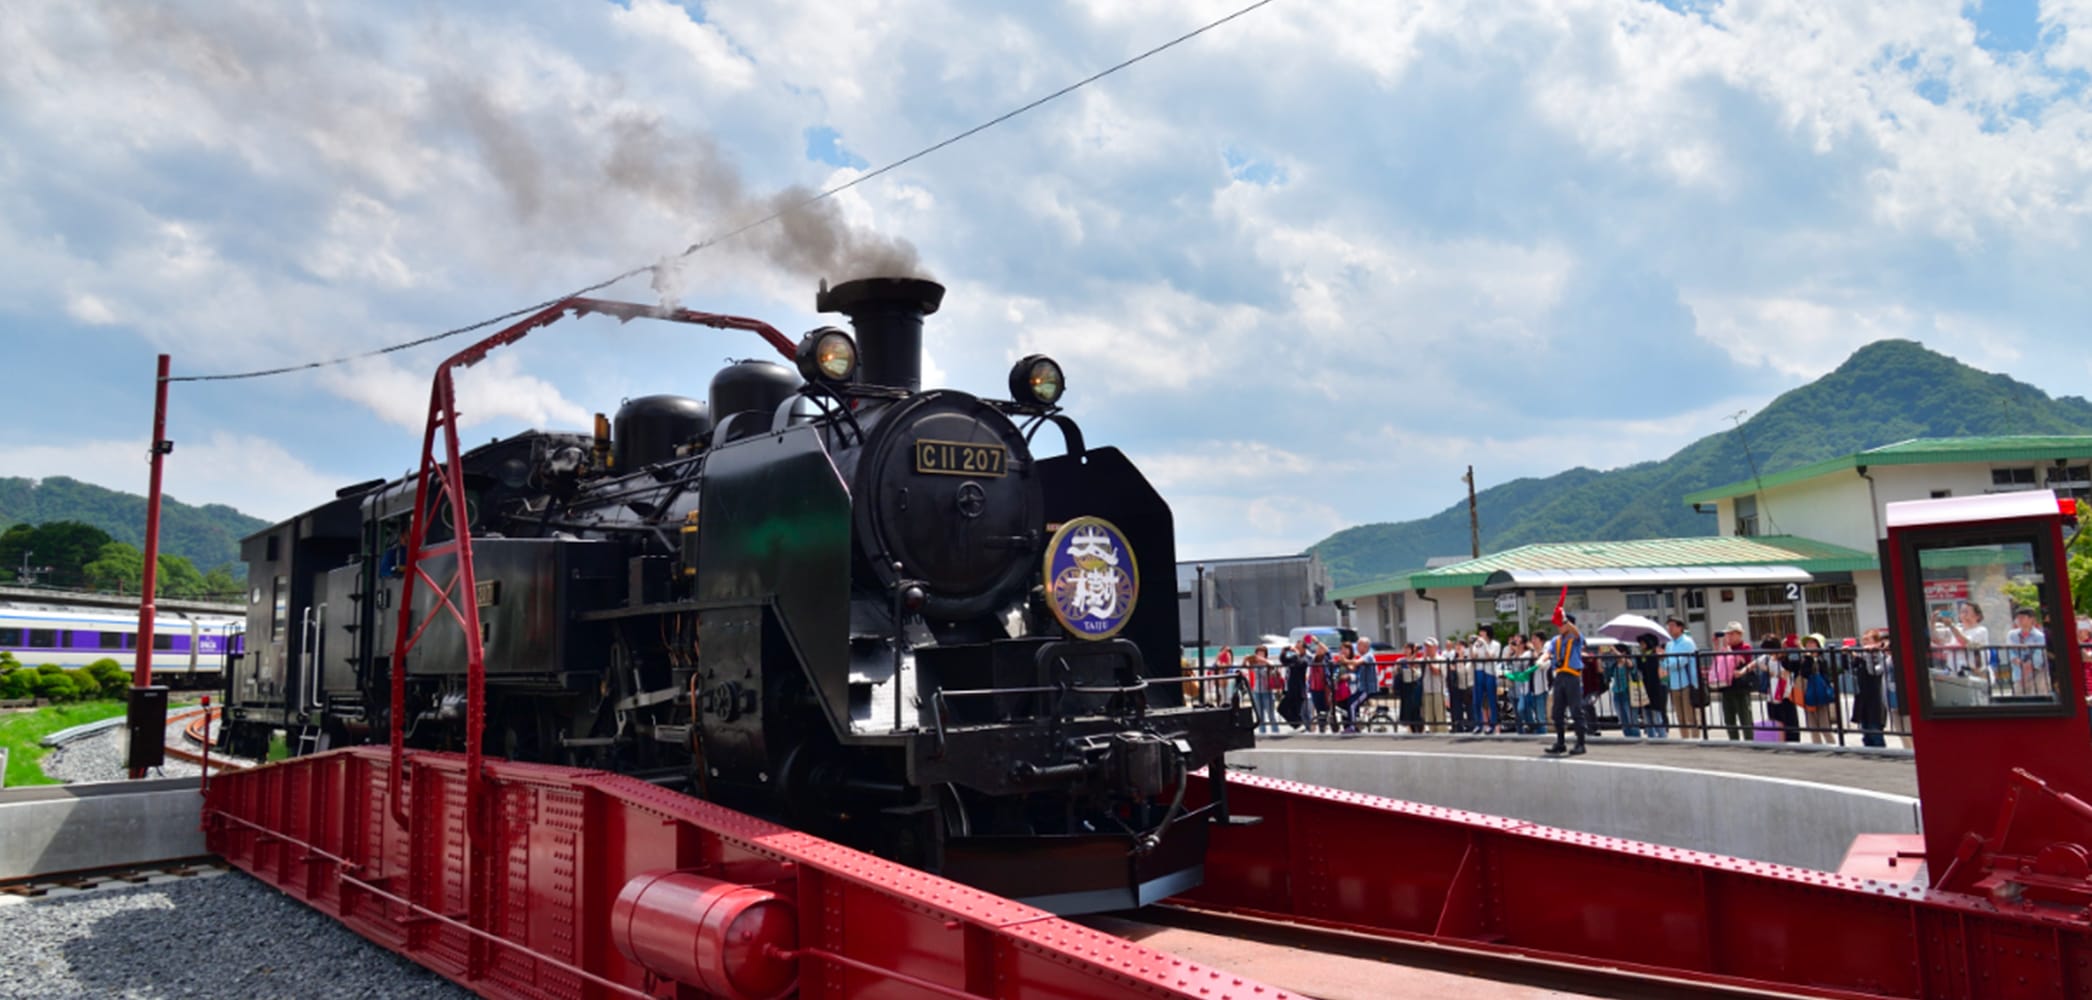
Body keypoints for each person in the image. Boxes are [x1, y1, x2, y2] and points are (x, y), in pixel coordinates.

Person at [1545, 615, 1591, 755]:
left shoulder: (1576, 638)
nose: (1559, 627)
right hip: (1559, 677)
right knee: (1557, 712)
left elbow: (1577, 633)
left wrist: (1565, 619)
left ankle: (1581, 744)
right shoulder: (1555, 640)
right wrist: (1541, 660)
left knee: (1576, 710)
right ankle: (1560, 743)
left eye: (1562, 624)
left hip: (1573, 677)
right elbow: (1548, 653)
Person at [1708, 622, 1752, 742]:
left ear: (1739, 634)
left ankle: (1750, 740)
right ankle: (1734, 740)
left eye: (1732, 634)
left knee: (1745, 717)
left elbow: (1742, 661)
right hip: (1726, 687)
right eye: (1727, 634)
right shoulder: (1724, 648)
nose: (1729, 637)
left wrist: (1729, 650)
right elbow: (1718, 662)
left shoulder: (1745, 647)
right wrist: (1717, 645)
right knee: (1729, 717)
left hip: (1740, 687)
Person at [1661, 617, 1699, 739]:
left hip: (1687, 682)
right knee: (1680, 716)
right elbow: (1665, 663)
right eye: (1668, 626)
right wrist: (1668, 662)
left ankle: (1695, 738)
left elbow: (1680, 662)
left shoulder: (1687, 642)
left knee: (1690, 715)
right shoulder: (1669, 644)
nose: (1669, 628)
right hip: (1674, 683)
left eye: (1672, 625)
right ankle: (1684, 739)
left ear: (1680, 627)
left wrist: (1668, 661)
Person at [1851, 629, 1890, 748]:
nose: (1865, 644)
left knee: (1875, 732)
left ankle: (1882, 755)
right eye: (1864, 641)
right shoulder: (1861, 656)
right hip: (1863, 698)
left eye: (1868, 640)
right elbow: (1849, 670)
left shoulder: (1879, 655)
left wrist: (1870, 654)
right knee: (1866, 732)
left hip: (1876, 699)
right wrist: (1848, 655)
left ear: (1878, 643)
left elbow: (1874, 671)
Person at [1798, 634, 1836, 744]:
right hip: (1808, 692)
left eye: (1812, 642)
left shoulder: (1821, 660)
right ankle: (1817, 744)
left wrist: (1809, 658)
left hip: (1820, 693)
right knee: (1812, 724)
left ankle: (1832, 744)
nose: (1809, 645)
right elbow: (1804, 673)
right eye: (1808, 643)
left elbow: (1824, 674)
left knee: (1824, 723)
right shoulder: (1805, 659)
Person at [2005, 607, 2049, 697]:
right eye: (2018, 618)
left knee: (2038, 698)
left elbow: (2038, 656)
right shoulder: (2012, 635)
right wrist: (2018, 663)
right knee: (2019, 699)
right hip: (2018, 673)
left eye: (2022, 617)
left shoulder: (2039, 636)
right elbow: (2010, 651)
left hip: (2037, 673)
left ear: (2031, 619)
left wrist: (2027, 667)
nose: (2019, 620)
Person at [1470, 625, 1502, 735]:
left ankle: (1492, 724)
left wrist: (1484, 644)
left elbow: (1490, 656)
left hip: (1490, 672)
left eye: (1482, 631)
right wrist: (1472, 645)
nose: (1480, 633)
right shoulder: (1477, 644)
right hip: (1479, 671)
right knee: (1477, 700)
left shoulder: (1496, 644)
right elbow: (1473, 656)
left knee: (1491, 700)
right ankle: (1479, 724)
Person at [1634, 633, 1667, 737]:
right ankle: (1651, 735)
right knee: (1646, 713)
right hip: (1645, 687)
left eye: (1643, 643)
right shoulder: (1641, 656)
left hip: (1656, 686)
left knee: (1656, 713)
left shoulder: (1656, 655)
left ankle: (1662, 735)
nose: (1641, 645)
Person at [1604, 644, 1641, 738]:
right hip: (1617, 692)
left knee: (1632, 718)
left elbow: (1631, 666)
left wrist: (1616, 652)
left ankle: (1635, 737)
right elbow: (1606, 673)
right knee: (1622, 719)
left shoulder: (1630, 660)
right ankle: (1627, 737)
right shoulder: (1614, 664)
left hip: (1628, 692)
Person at [1345, 638, 1379, 733]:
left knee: (1352, 704)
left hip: (1367, 689)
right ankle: (1356, 722)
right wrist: (1344, 663)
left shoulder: (1368, 656)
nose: (1357, 647)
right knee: (1351, 701)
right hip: (1362, 688)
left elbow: (1356, 663)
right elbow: (1353, 668)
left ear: (1365, 646)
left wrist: (1346, 660)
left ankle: (1352, 727)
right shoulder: (1363, 657)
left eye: (1359, 645)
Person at [1244, 645, 1278, 734]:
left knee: (1271, 714)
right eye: (1258, 653)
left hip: (1267, 691)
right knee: (1260, 715)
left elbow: (1272, 668)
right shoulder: (1254, 664)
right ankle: (1262, 732)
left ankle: (1275, 731)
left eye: (1262, 653)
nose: (1259, 655)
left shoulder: (1268, 662)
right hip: (1257, 691)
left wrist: (1263, 661)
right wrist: (1246, 659)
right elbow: (1244, 666)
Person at [1278, 640, 1307, 730]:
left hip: (1298, 690)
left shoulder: (1305, 658)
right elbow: (1284, 661)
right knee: (1282, 708)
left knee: (1295, 710)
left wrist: (1297, 654)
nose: (1295, 649)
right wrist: (1284, 652)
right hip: (1290, 689)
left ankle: (1300, 726)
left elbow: (1300, 663)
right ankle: (1299, 726)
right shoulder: (1294, 658)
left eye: (1298, 647)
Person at [1420, 637, 1447, 731]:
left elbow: (1437, 672)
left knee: (1439, 715)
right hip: (1427, 690)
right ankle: (1432, 733)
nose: (1427, 649)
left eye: (1429, 647)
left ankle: (1442, 733)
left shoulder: (1441, 659)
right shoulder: (1423, 660)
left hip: (1438, 690)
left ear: (1435, 647)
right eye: (1426, 647)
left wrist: (1428, 662)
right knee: (1429, 716)